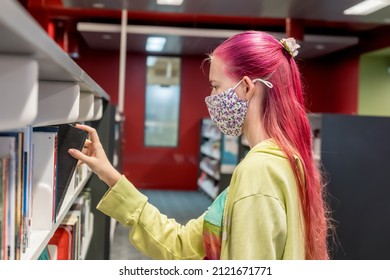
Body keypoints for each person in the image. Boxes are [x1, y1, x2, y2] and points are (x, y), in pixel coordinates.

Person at [68, 30, 331, 260]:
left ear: (247, 88)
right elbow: (183, 244)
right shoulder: (287, 159)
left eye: (216, 86)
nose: (211, 98)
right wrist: (110, 175)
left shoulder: (259, 172)